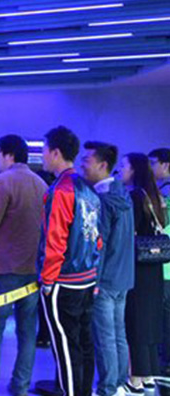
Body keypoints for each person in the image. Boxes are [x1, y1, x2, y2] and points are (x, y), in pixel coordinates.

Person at [0, 134, 48, 396]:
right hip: (32, 268)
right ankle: (20, 386)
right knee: (27, 331)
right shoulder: (41, 183)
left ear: (9, 154)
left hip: (4, 267)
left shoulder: (2, 181)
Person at [40, 126, 101, 396]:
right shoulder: (88, 189)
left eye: (44, 150)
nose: (43, 156)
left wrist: (47, 280)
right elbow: (98, 239)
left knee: (66, 348)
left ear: (56, 152)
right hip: (87, 277)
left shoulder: (61, 190)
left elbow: (55, 239)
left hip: (64, 281)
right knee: (85, 345)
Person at [81, 142, 134, 396]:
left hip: (105, 278)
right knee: (118, 334)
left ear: (103, 165)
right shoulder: (123, 194)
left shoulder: (102, 201)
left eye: (87, 160)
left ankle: (107, 388)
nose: (82, 164)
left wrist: (94, 280)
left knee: (105, 338)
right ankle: (120, 383)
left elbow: (98, 246)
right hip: (123, 276)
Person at [120, 153, 167, 393]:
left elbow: (129, 232)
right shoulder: (155, 196)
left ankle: (135, 379)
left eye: (124, 166)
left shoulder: (135, 196)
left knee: (135, 321)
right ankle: (149, 374)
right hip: (154, 266)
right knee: (149, 321)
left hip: (137, 266)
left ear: (134, 170)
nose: (121, 170)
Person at [149, 148, 170, 375]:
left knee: (164, 316)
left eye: (153, 162)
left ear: (166, 165)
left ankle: (165, 363)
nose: (150, 167)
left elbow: (162, 227)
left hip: (164, 266)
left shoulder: (164, 193)